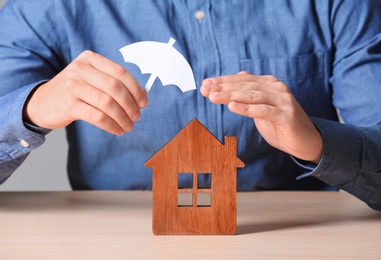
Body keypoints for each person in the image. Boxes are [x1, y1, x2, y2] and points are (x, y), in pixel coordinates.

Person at [0, 0, 380, 210]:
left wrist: (315, 143)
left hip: (299, 235)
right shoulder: (45, 6)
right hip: (118, 234)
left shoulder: (341, 5)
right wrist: (30, 109)